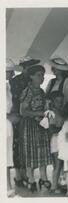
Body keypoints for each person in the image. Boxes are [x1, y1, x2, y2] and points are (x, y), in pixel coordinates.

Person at [19, 65, 52, 192]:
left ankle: (43, 178)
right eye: (39, 75)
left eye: (43, 75)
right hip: (29, 126)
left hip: (41, 125)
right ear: (31, 76)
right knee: (31, 152)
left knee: (42, 151)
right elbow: (23, 111)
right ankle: (31, 179)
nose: (42, 78)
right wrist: (39, 114)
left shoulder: (42, 92)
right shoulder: (27, 91)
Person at [10, 56, 40, 188]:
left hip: (28, 117)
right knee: (18, 145)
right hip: (18, 116)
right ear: (24, 67)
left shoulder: (30, 80)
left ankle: (26, 174)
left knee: (27, 146)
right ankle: (19, 175)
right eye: (29, 66)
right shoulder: (16, 81)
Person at [6, 59, 22, 197]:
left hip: (7, 125)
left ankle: (7, 187)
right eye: (10, 72)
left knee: (6, 156)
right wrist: (8, 115)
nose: (12, 75)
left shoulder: (6, 86)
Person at [47, 91, 65, 193]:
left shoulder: (60, 112)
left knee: (60, 163)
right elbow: (51, 129)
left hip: (60, 140)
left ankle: (56, 183)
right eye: (57, 101)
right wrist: (63, 129)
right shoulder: (51, 113)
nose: (60, 103)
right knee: (57, 164)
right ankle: (53, 187)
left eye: (61, 101)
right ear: (53, 102)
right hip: (55, 139)